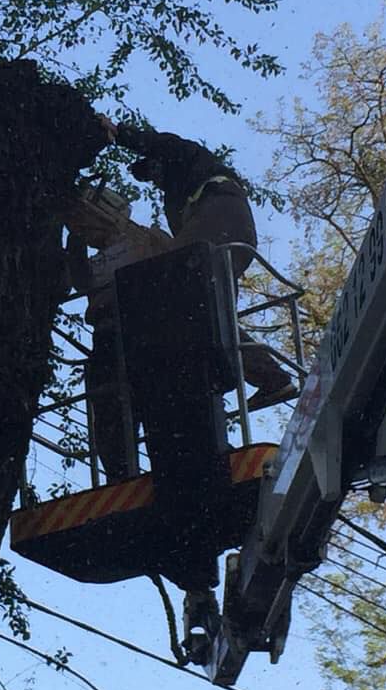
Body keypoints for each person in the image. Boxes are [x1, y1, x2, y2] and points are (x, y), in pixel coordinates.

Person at [109, 120, 297, 411]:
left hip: (220, 219)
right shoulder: (180, 196)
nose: (157, 180)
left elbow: (162, 143)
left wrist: (121, 134)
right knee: (209, 316)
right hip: (227, 232)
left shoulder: (186, 156)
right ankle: (266, 378)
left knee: (171, 285)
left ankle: (208, 378)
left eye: (157, 171)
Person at [65, 187, 174, 482]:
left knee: (159, 405)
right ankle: (120, 475)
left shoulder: (148, 238)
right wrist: (73, 242)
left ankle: (172, 463)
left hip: (151, 331)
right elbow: (81, 281)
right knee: (110, 411)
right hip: (108, 337)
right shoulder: (95, 260)